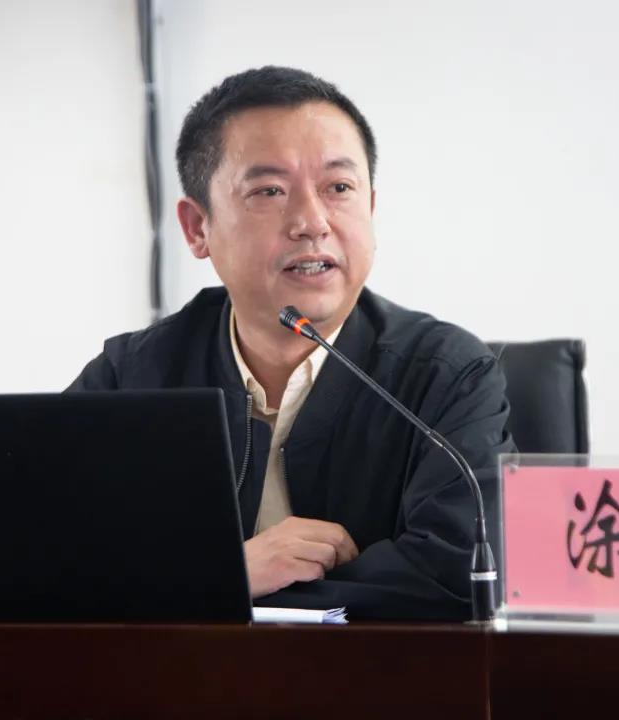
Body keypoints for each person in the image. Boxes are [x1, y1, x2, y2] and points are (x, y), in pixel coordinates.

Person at [68, 66, 514, 620]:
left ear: (371, 208)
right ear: (197, 228)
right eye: (269, 191)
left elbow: (461, 574)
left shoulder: (447, 375)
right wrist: (229, 572)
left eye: (339, 188)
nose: (312, 222)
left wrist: (201, 587)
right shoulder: (132, 377)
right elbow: (45, 558)